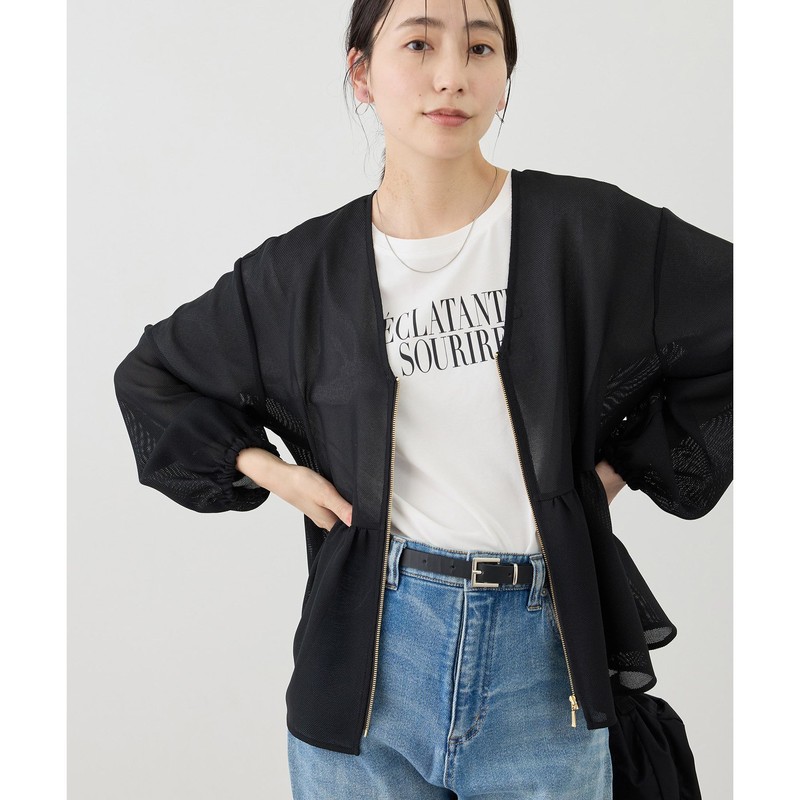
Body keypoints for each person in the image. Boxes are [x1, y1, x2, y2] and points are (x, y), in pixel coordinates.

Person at [113, 0, 733, 797]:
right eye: (418, 44)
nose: (451, 76)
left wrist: (622, 465)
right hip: (366, 672)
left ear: (505, 74)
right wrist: (272, 471)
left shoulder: (584, 231)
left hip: (543, 666)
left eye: (480, 48)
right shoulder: (301, 273)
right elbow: (153, 376)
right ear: (361, 72)